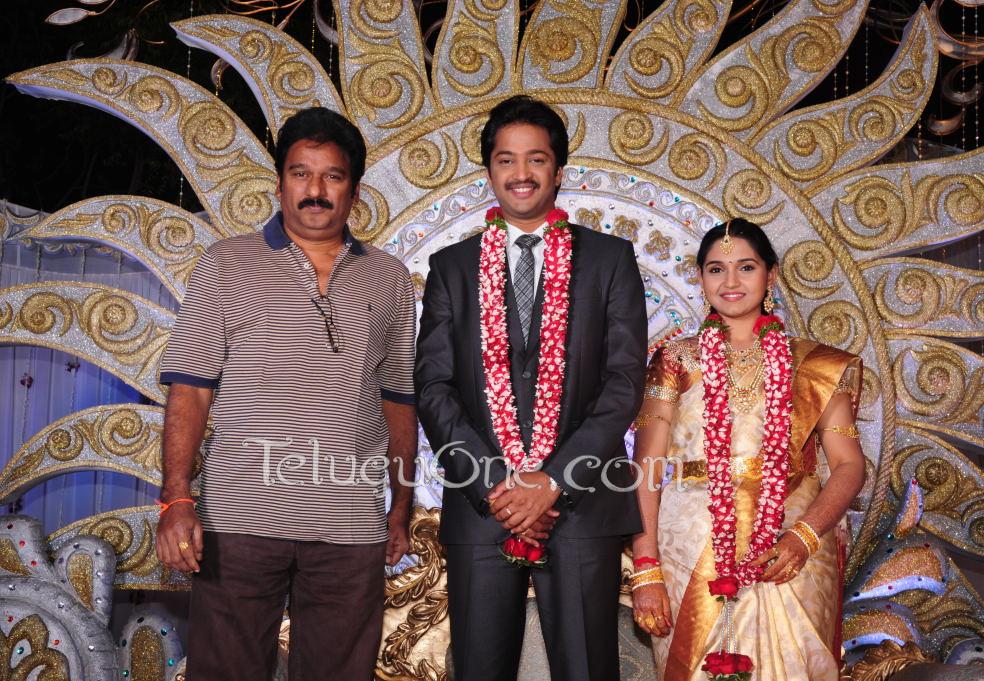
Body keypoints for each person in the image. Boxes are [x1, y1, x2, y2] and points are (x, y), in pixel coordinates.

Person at [155, 107, 418, 681]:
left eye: (332, 176)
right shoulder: (227, 264)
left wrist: (399, 507)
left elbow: (399, 399)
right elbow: (190, 390)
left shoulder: (389, 277)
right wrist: (176, 500)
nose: (315, 190)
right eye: (301, 173)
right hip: (238, 520)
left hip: (350, 522)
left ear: (354, 191)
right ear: (280, 184)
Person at [415, 95, 648, 681]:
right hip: (483, 507)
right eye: (506, 160)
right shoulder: (451, 267)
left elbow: (623, 383)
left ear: (558, 170)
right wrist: (497, 486)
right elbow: (434, 386)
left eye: (536, 159)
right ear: (489, 172)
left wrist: (554, 480)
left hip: (583, 505)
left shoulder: (610, 260)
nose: (521, 173)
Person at [630, 218, 866, 680]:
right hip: (690, 542)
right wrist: (646, 567)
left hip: (791, 542)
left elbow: (848, 464)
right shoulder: (675, 360)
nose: (731, 282)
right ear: (700, 278)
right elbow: (646, 466)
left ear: (771, 274)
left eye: (746, 267)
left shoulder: (818, 364)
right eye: (716, 269)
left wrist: (804, 536)